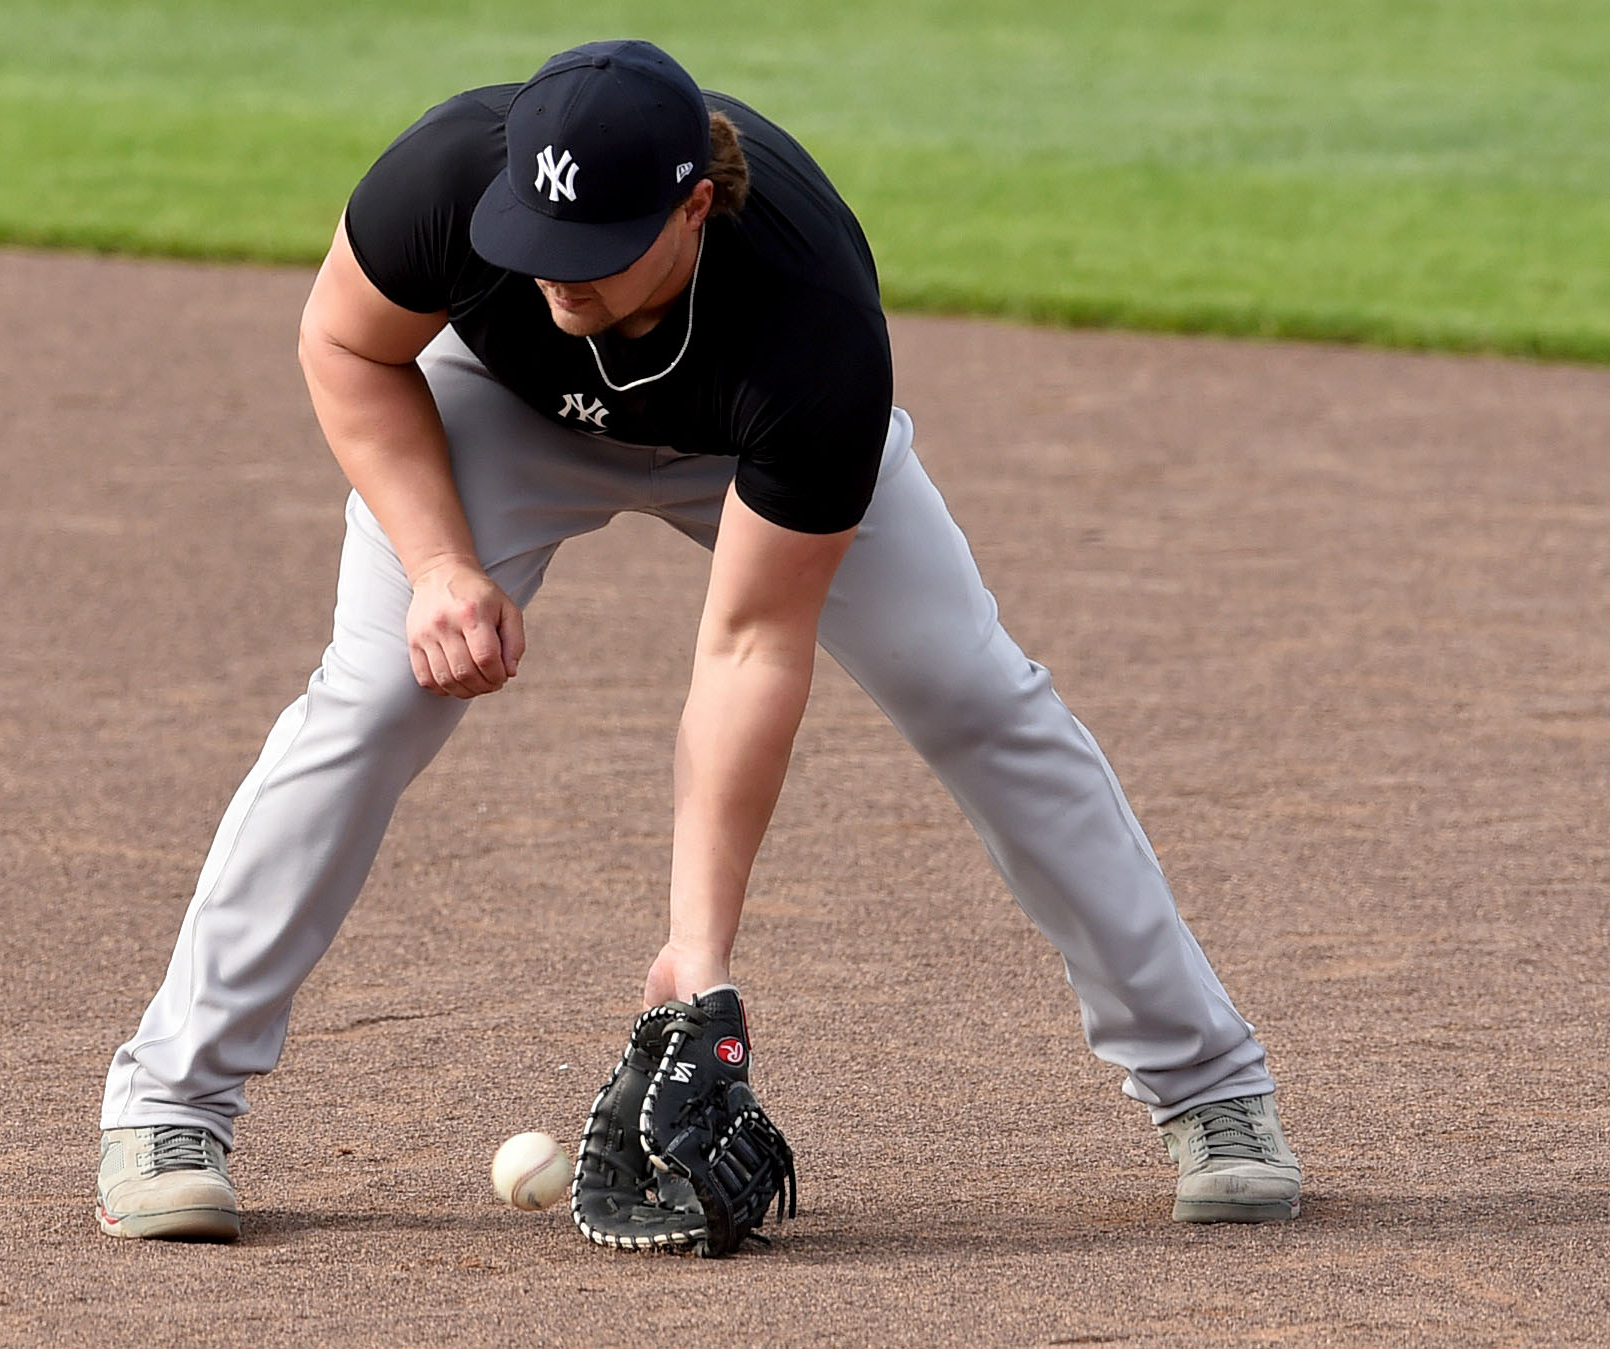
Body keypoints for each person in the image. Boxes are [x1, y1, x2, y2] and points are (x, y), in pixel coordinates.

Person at [94, 39, 1301, 1243]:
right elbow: (346, 344)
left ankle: (1209, 1086)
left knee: (975, 692)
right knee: (374, 695)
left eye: (594, 249)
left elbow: (747, 648)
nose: (555, 276)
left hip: (748, 441)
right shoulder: (450, 176)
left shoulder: (809, 320)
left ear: (696, 208)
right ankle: (168, 1100)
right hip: (507, 415)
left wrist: (695, 952)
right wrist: (441, 566)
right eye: (536, 239)